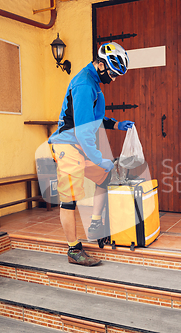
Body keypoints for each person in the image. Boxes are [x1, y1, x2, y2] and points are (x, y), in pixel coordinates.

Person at [48, 42, 133, 266]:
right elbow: (85, 130)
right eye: (113, 74)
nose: (113, 79)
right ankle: (73, 250)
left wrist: (116, 125)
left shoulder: (94, 82)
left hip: (81, 145)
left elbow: (94, 117)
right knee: (69, 200)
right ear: (101, 64)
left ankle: (95, 224)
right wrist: (99, 159)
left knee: (104, 177)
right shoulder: (84, 84)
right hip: (68, 146)